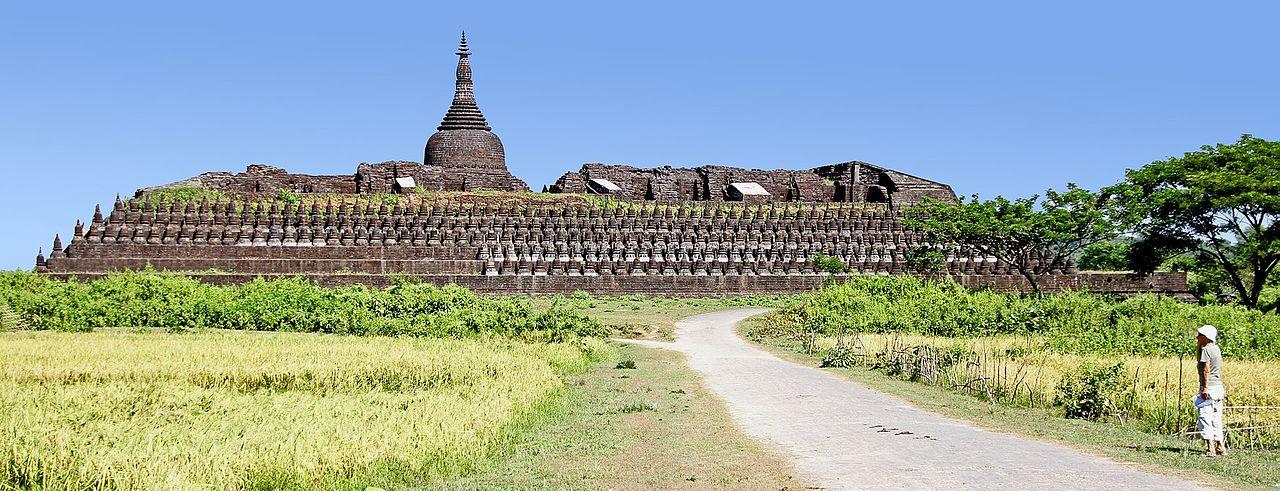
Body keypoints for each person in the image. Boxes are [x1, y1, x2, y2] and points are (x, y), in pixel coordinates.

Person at [1195, 324, 1226, 456]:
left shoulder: (1206, 350)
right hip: (1218, 387)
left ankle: (1210, 448)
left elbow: (1206, 369)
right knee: (1216, 417)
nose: (1197, 337)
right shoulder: (1216, 348)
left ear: (1206, 337)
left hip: (1210, 388)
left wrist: (1204, 387)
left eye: (1200, 335)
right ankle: (1220, 446)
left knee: (1205, 417)